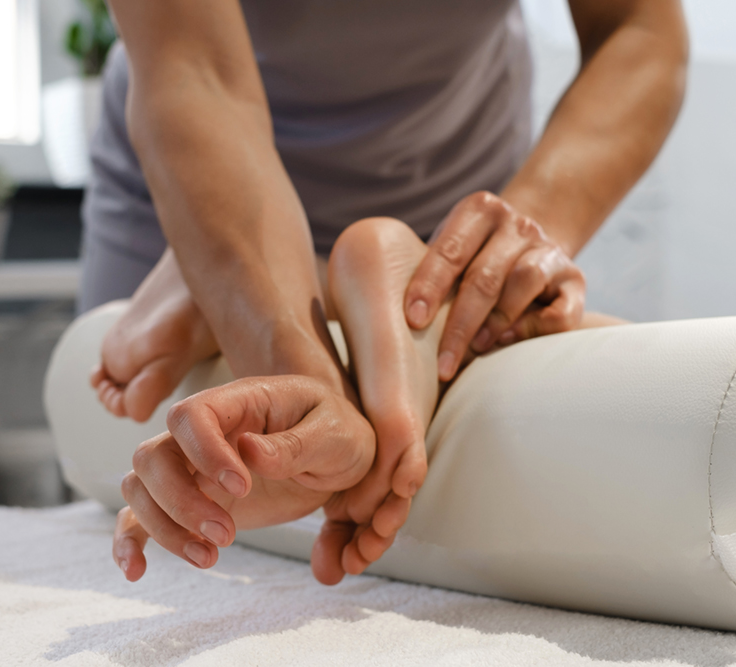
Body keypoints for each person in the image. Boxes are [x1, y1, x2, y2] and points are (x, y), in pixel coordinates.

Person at [84, 0, 688, 580]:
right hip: (202, 197)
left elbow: (637, 28)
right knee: (125, 415)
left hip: (452, 187)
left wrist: (486, 265)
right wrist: (304, 393)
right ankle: (315, 300)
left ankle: (362, 293)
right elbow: (196, 75)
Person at [111, 216, 626, 584]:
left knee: (126, 362)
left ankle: (222, 287)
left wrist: (494, 261)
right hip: (198, 207)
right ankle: (431, 321)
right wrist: (494, 297)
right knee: (606, 346)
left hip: (448, 219)